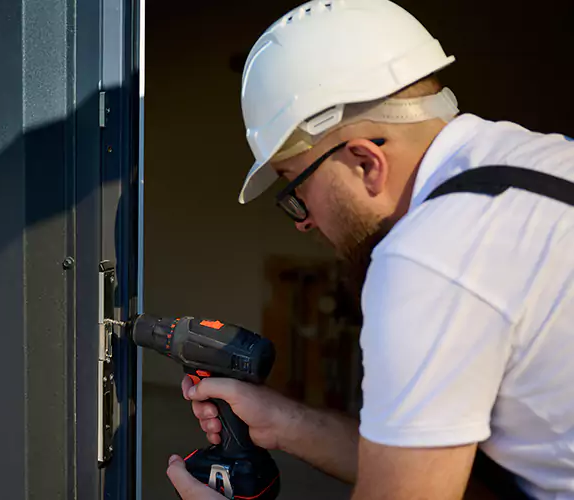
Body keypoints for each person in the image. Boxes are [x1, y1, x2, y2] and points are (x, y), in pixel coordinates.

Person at [164, 0, 574, 499]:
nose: (303, 220)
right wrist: (284, 422)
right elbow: (435, 472)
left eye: (296, 187)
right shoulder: (547, 162)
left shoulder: (429, 256)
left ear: (364, 162)